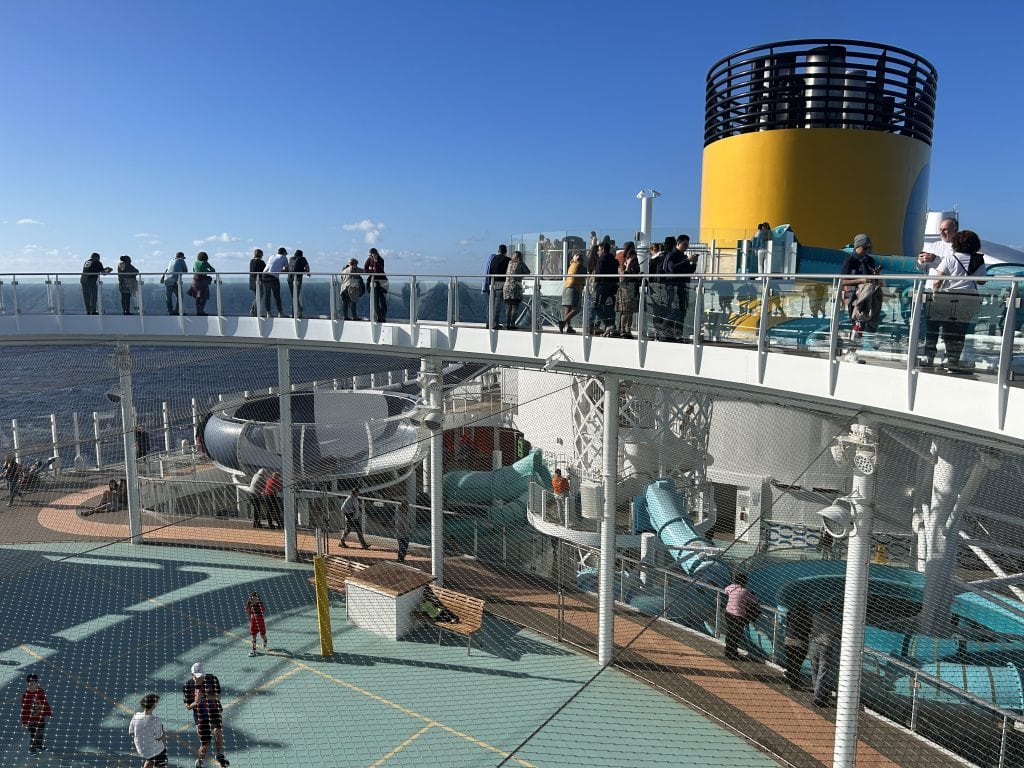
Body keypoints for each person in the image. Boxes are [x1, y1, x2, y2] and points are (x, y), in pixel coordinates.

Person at [918, 229, 987, 372]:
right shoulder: (978, 260)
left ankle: (929, 357)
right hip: (969, 298)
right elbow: (981, 281)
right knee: (958, 332)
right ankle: (952, 361)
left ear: (956, 243)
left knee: (933, 327)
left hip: (947, 297)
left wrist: (936, 292)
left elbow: (938, 280)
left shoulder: (950, 258)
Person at [183, 662, 229, 768]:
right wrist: (197, 702)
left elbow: (218, 697)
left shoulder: (212, 679)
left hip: (214, 710)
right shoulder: (188, 686)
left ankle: (220, 755)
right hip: (201, 715)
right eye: (198, 676)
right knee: (205, 743)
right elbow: (189, 706)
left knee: (218, 732)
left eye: (202, 676)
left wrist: (205, 697)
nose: (201, 678)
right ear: (192, 674)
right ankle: (199, 761)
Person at [840, 234, 882, 346]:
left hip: (867, 295)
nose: (867, 251)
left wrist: (876, 276)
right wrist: (860, 280)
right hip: (853, 296)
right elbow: (842, 281)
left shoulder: (870, 260)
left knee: (866, 320)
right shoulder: (850, 261)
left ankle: (860, 346)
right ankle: (852, 348)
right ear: (857, 247)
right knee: (856, 321)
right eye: (865, 248)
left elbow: (871, 280)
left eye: (869, 248)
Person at [809, 602, 841, 707]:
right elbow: (839, 632)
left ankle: (817, 692)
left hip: (814, 644)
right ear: (830, 610)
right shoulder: (832, 621)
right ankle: (817, 697)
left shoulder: (814, 617)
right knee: (822, 673)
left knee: (814, 669)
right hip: (825, 647)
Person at [723, 573, 760, 660]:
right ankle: (732, 653)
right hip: (738, 616)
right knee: (736, 635)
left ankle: (728, 651)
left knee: (730, 632)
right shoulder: (744, 591)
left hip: (728, 613)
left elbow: (726, 590)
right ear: (744, 581)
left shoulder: (731, 587)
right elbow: (755, 601)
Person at [128, 692, 167, 768]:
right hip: (155, 751)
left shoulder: (136, 715)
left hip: (141, 750)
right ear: (153, 706)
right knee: (161, 755)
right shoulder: (156, 720)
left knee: (150, 758)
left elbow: (131, 732)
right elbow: (159, 737)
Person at [21, 673, 53, 753]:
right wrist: (25, 722)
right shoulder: (26, 696)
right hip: (32, 720)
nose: (30, 685)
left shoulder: (40, 692)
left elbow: (44, 703)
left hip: (41, 718)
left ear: (36, 683)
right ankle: (32, 749)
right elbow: (24, 709)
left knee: (40, 733)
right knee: (34, 734)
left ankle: (39, 746)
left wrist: (49, 712)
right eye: (29, 684)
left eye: (32, 684)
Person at [783, 602, 812, 690]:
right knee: (797, 664)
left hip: (788, 640)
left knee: (790, 661)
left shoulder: (791, 614)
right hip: (800, 642)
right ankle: (794, 682)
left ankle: (790, 679)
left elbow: (788, 622)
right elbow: (809, 629)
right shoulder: (807, 617)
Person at [615, 242, 641, 338]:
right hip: (629, 287)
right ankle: (626, 329)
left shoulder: (619, 257)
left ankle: (622, 329)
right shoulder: (633, 260)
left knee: (625, 310)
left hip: (622, 287)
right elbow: (631, 273)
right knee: (628, 310)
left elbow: (620, 272)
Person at [592, 242, 619, 335]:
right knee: (610, 307)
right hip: (612, 286)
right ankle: (609, 325)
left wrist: (595, 284)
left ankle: (607, 325)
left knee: (596, 306)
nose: (598, 252)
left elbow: (598, 273)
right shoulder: (614, 260)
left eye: (599, 250)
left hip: (602, 285)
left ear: (602, 249)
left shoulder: (602, 259)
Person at [483, 244, 510, 329]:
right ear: (505, 251)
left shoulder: (493, 259)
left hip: (492, 282)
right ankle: (495, 323)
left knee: (491, 304)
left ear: (498, 250)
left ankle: (488, 322)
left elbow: (490, 270)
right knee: (497, 304)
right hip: (501, 282)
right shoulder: (507, 260)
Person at [502, 250, 531, 329]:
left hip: (506, 286)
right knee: (515, 306)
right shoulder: (520, 263)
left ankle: (507, 323)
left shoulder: (509, 263)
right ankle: (512, 324)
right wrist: (520, 275)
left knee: (508, 306)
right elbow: (528, 272)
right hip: (515, 286)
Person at [559, 250, 585, 334]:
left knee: (568, 307)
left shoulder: (571, 265)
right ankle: (563, 322)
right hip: (574, 287)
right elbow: (586, 273)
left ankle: (568, 327)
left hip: (566, 287)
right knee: (576, 309)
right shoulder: (580, 266)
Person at [262, 247, 288, 317]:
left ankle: (268, 313)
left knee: (267, 295)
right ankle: (280, 313)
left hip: (264, 275)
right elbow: (287, 269)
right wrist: (280, 270)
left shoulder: (272, 256)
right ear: (284, 253)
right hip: (273, 277)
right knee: (277, 295)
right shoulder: (284, 257)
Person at [364, 248, 388, 323]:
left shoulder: (380, 259)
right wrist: (372, 270)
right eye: (369, 255)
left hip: (382, 281)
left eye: (371, 254)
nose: (370, 256)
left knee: (383, 300)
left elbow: (378, 270)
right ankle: (379, 317)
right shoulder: (369, 259)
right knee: (375, 301)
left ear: (375, 254)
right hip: (373, 282)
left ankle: (382, 317)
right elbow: (365, 269)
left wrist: (375, 260)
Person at [286, 248, 310, 318]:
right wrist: (306, 272)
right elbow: (307, 268)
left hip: (289, 278)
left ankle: (296, 312)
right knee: (296, 296)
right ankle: (298, 310)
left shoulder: (291, 259)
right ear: (301, 255)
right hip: (297, 279)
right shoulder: (303, 259)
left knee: (294, 296)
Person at [191, 252, 215, 316]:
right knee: (204, 296)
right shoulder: (205, 262)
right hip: (203, 281)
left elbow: (194, 270)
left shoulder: (195, 262)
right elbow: (213, 270)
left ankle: (198, 311)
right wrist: (206, 271)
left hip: (195, 281)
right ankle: (201, 311)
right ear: (205, 257)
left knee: (198, 297)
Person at [245, 591, 268, 656]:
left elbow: (262, 610)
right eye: (253, 599)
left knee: (262, 636)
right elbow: (249, 613)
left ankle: (265, 641)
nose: (254, 600)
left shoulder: (260, 605)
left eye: (256, 599)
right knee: (253, 637)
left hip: (261, 624)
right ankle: (254, 650)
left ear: (258, 599)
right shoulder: (250, 606)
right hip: (253, 624)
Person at [247, 249, 266, 317]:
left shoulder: (252, 261)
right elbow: (265, 271)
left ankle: (255, 311)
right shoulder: (261, 262)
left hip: (252, 281)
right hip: (258, 281)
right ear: (261, 254)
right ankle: (253, 310)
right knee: (259, 296)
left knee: (257, 296)